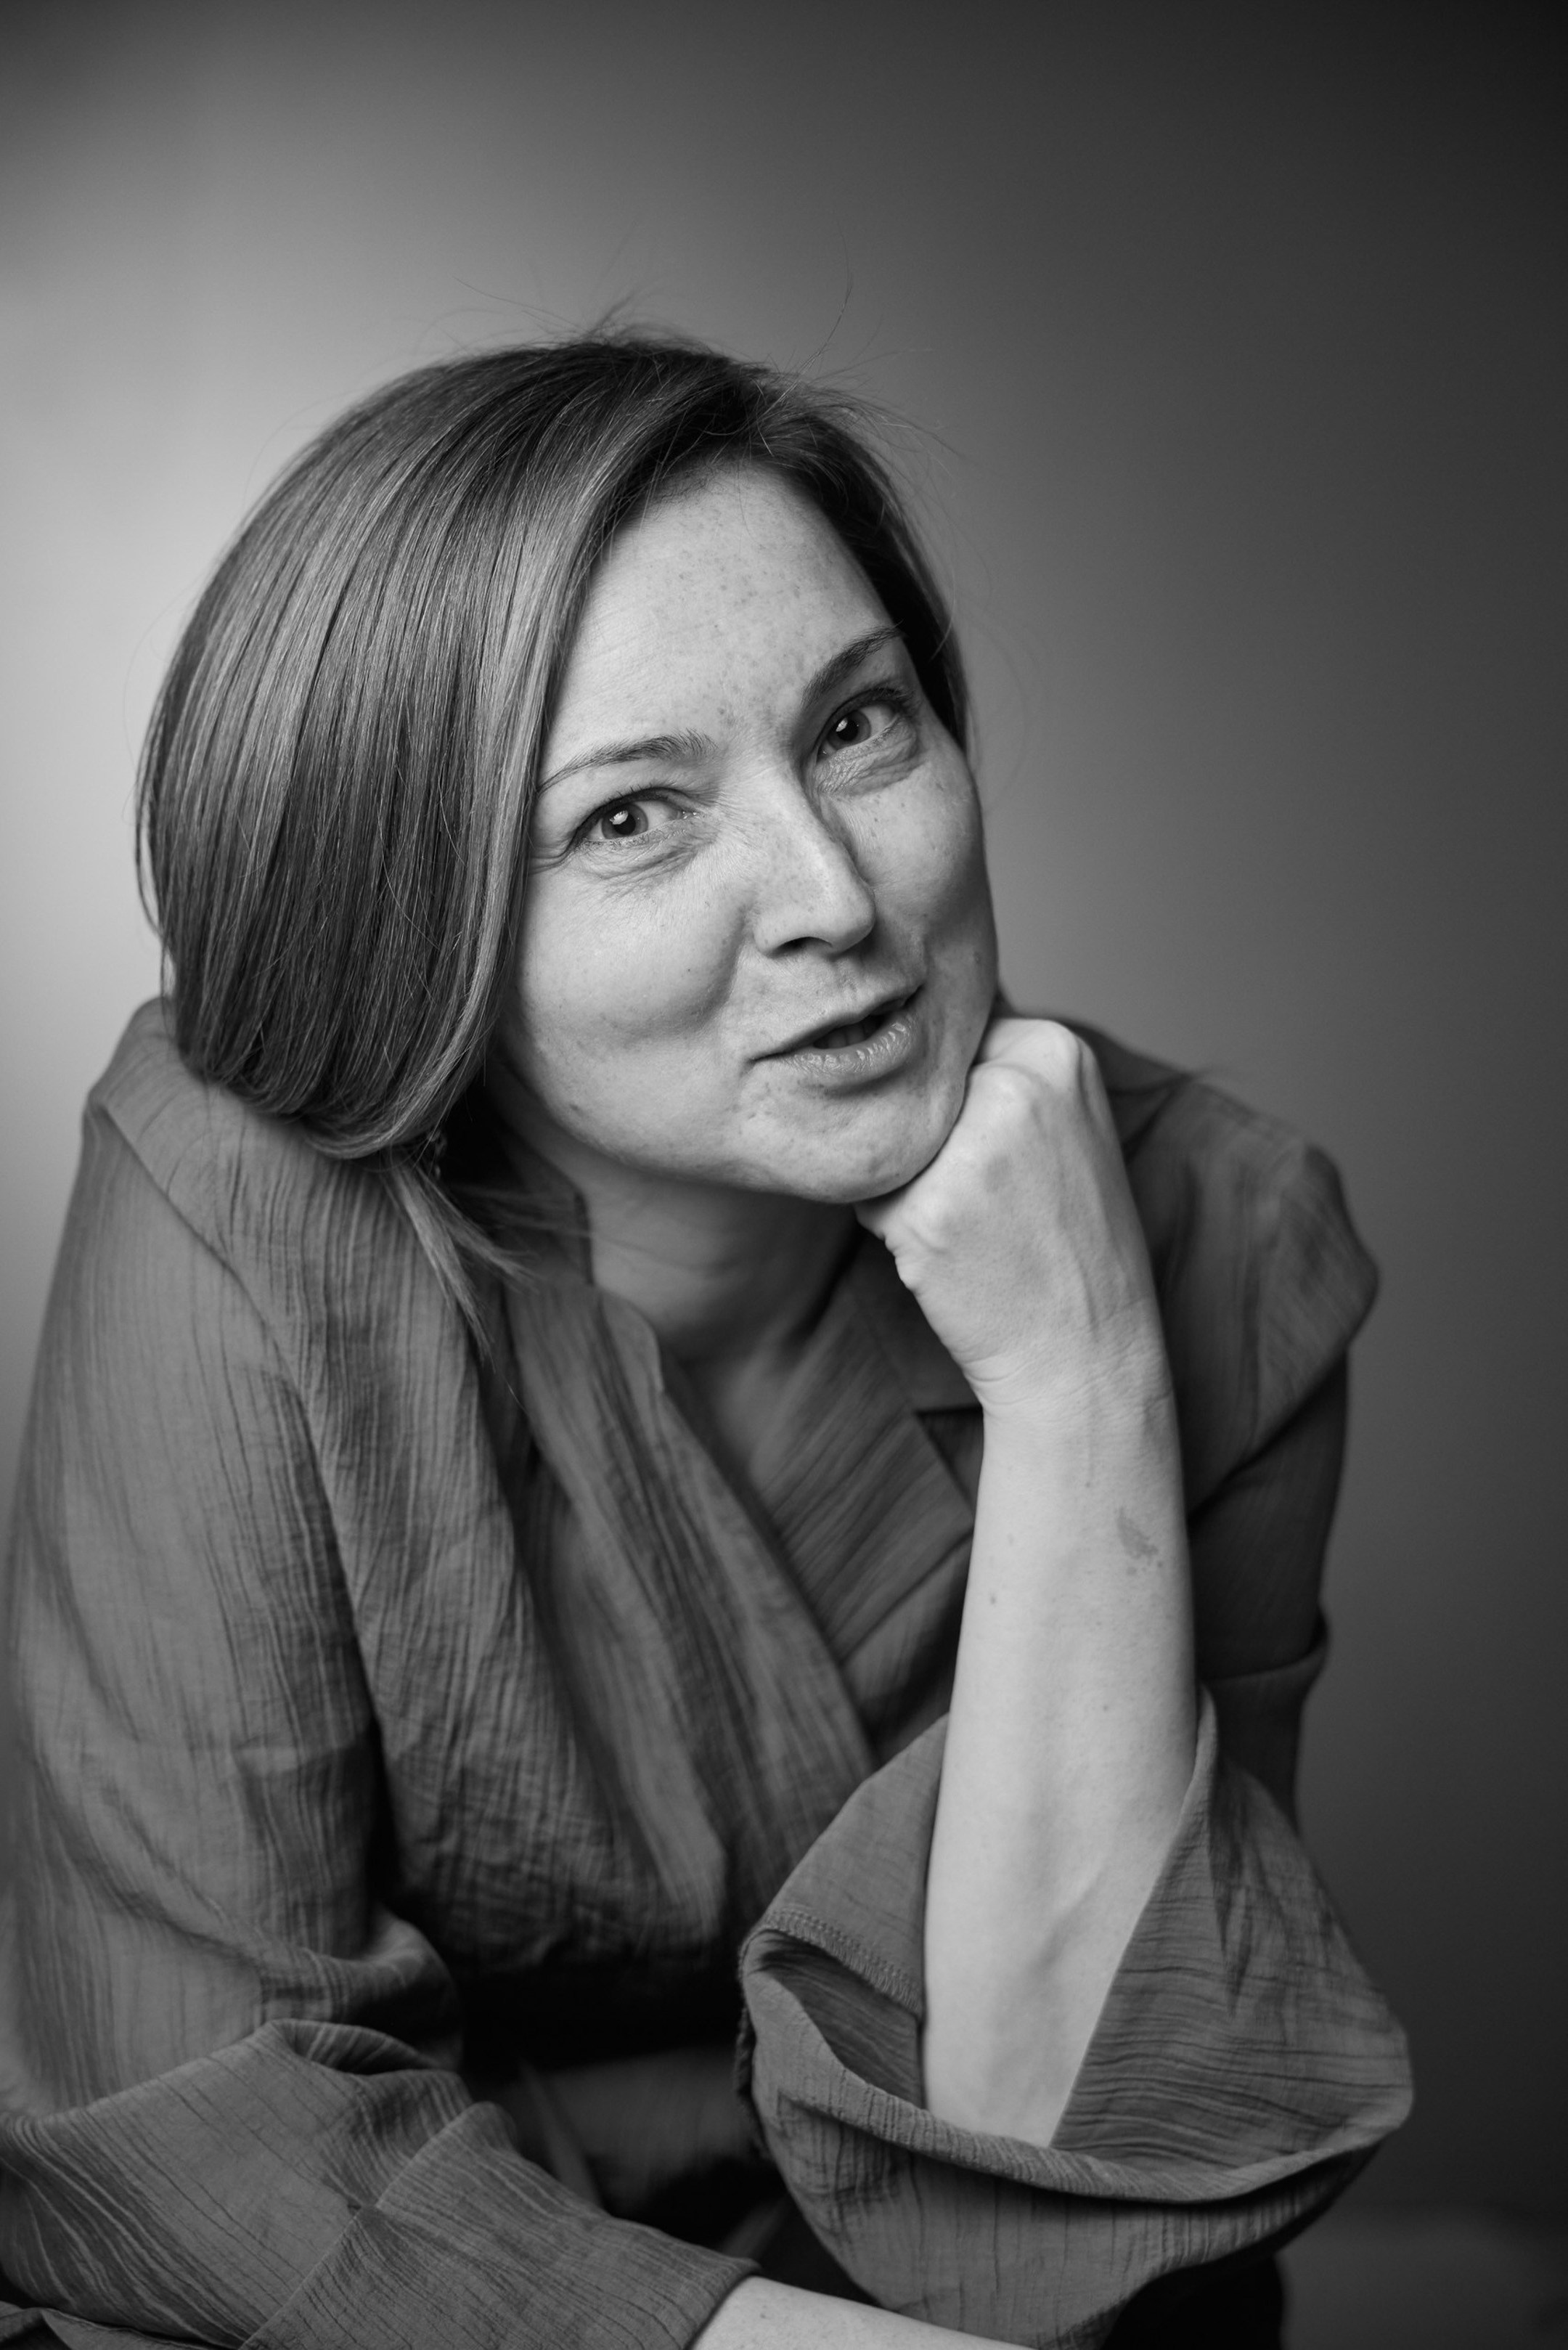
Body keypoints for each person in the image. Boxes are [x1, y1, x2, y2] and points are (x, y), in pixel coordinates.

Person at [0, 337, 1410, 2350]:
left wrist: (1084, 1371)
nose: (839, 897)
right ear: (417, 921)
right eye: (635, 820)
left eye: (859, 725)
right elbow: (183, 2116)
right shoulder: (237, 1192)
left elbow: (1076, 2173)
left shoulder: (1220, 1237)